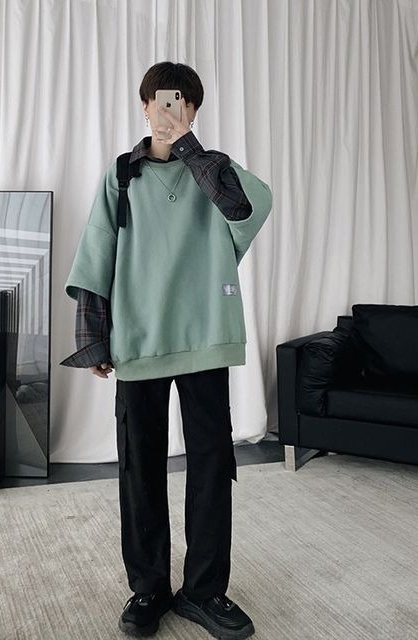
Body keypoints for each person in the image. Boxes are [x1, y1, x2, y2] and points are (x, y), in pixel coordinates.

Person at [64, 61, 272, 639]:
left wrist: (191, 150)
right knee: (140, 470)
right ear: (143, 106)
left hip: (204, 338)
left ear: (193, 110)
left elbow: (248, 209)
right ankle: (148, 588)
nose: (167, 111)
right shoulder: (122, 175)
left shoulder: (215, 170)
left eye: (179, 102)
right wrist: (94, 338)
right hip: (139, 340)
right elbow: (96, 253)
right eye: (158, 101)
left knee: (212, 468)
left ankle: (204, 592)